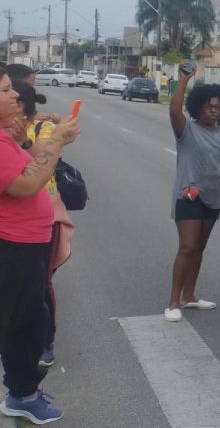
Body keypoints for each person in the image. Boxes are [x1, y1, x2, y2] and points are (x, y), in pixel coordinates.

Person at [1, 66, 79, 423]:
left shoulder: (5, 137)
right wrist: (57, 141)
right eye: (5, 91)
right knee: (20, 324)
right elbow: (25, 186)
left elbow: (27, 167)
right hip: (13, 246)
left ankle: (23, 392)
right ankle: (22, 394)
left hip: (28, 243)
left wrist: (32, 144)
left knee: (29, 321)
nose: (16, 95)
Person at [12, 84, 75, 373]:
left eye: (11, 92)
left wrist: (52, 135)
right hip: (18, 229)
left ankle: (45, 341)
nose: (10, 97)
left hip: (43, 219)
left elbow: (41, 163)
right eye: (4, 91)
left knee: (41, 285)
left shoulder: (36, 131)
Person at [165, 67, 220, 322]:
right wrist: (183, 80)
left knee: (200, 248)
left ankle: (190, 296)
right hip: (189, 195)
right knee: (187, 246)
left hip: (213, 197)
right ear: (198, 108)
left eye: (217, 106)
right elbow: (173, 110)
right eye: (208, 106)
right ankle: (173, 301)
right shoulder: (187, 130)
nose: (213, 110)